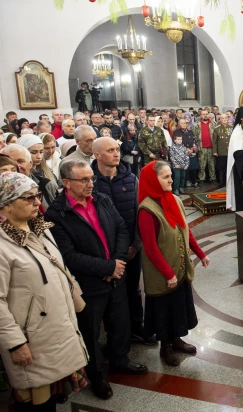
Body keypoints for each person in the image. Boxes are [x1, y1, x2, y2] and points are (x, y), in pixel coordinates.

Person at [45, 160, 148, 401]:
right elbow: (68, 256)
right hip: (89, 285)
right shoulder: (57, 214)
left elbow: (122, 229)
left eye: (91, 178)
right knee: (90, 332)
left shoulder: (102, 199)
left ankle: (121, 360)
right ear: (66, 183)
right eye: (84, 180)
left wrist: (118, 262)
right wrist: (107, 267)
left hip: (115, 276)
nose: (91, 184)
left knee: (120, 323)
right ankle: (97, 376)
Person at [0, 171, 88, 412]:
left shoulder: (39, 228)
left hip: (55, 330)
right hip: (30, 338)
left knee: (50, 396)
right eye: (27, 198)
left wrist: (76, 297)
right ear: (6, 205)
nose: (37, 202)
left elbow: (58, 266)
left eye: (36, 195)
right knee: (35, 402)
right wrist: (15, 344)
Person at [137, 161, 209, 366]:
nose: (171, 179)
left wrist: (200, 253)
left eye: (171, 176)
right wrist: (168, 273)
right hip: (162, 272)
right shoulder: (146, 210)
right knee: (164, 309)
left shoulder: (175, 200)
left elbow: (185, 230)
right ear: (153, 180)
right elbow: (150, 247)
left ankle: (176, 339)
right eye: (165, 177)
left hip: (179, 266)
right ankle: (165, 347)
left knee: (178, 306)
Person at [91, 137, 155, 346]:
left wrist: (136, 244)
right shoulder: (89, 181)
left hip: (130, 248)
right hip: (103, 252)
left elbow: (139, 213)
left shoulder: (130, 178)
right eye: (110, 150)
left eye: (117, 149)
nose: (116, 153)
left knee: (133, 289)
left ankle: (137, 327)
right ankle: (116, 336)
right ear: (96, 155)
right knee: (109, 295)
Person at [10, 137, 59, 211]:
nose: (39, 156)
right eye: (33, 152)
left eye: (41, 152)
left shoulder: (45, 183)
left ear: (29, 163)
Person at [193, 109, 216, 185]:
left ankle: (212, 178)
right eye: (203, 114)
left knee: (211, 164)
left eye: (206, 114)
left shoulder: (213, 124)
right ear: (201, 115)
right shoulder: (196, 124)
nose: (205, 115)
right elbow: (194, 136)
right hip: (201, 147)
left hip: (211, 147)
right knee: (202, 164)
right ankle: (202, 179)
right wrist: (195, 145)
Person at [175, 118, 199, 188]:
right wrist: (187, 149)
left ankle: (194, 181)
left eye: (185, 123)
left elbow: (194, 141)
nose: (183, 124)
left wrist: (193, 148)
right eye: (182, 123)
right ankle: (187, 181)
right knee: (186, 168)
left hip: (192, 152)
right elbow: (177, 143)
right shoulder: (177, 132)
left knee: (193, 167)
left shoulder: (190, 131)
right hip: (182, 153)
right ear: (179, 124)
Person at [213, 116, 233, 188]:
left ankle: (229, 182)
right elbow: (214, 141)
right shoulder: (217, 129)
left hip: (230, 151)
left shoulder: (231, 128)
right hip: (221, 151)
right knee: (221, 168)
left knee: (230, 167)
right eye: (222, 118)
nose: (224, 120)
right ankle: (222, 182)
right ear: (220, 120)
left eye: (225, 118)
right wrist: (215, 151)